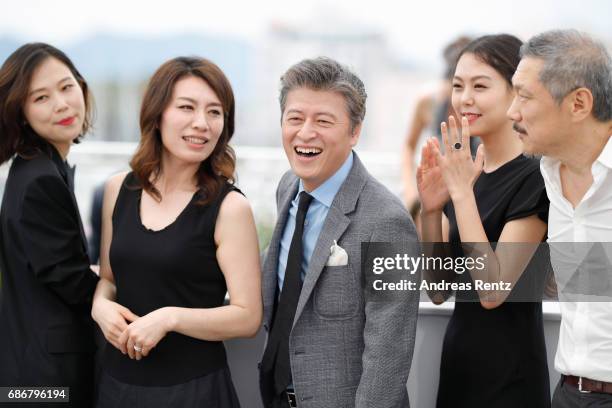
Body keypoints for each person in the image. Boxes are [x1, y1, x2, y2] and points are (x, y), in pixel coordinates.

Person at [91, 56, 262, 407]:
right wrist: (99, 307)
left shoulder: (230, 208)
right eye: (187, 107)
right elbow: (109, 278)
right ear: (158, 115)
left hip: (193, 391)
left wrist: (170, 318)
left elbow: (247, 317)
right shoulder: (116, 190)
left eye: (215, 112)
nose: (202, 123)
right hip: (115, 385)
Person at [259, 57, 420, 408]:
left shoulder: (389, 222)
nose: (305, 132)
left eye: (323, 121)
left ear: (355, 131)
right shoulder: (288, 187)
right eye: (295, 118)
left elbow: (388, 356)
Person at [417, 34, 551, 407]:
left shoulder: (535, 177)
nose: (464, 99)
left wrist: (460, 194)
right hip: (460, 369)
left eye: (480, 86)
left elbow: (493, 290)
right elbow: (439, 289)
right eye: (458, 86)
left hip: (511, 379)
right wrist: (431, 210)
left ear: (516, 93)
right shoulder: (466, 170)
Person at [507, 29, 612, 407]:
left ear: (579, 104)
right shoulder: (548, 178)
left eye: (524, 95)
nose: (511, 111)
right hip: (568, 392)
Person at [0, 43, 99, 407]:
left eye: (67, 86)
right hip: (46, 381)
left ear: (82, 87)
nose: (61, 104)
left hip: (32, 368)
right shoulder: (41, 179)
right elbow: (72, 282)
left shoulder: (37, 167)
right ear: (22, 112)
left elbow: (52, 266)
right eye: (41, 97)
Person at [401, 36, 473, 209]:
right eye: (455, 85)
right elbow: (408, 146)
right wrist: (410, 192)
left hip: (471, 197)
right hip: (433, 194)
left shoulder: (479, 110)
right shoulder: (429, 102)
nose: (461, 97)